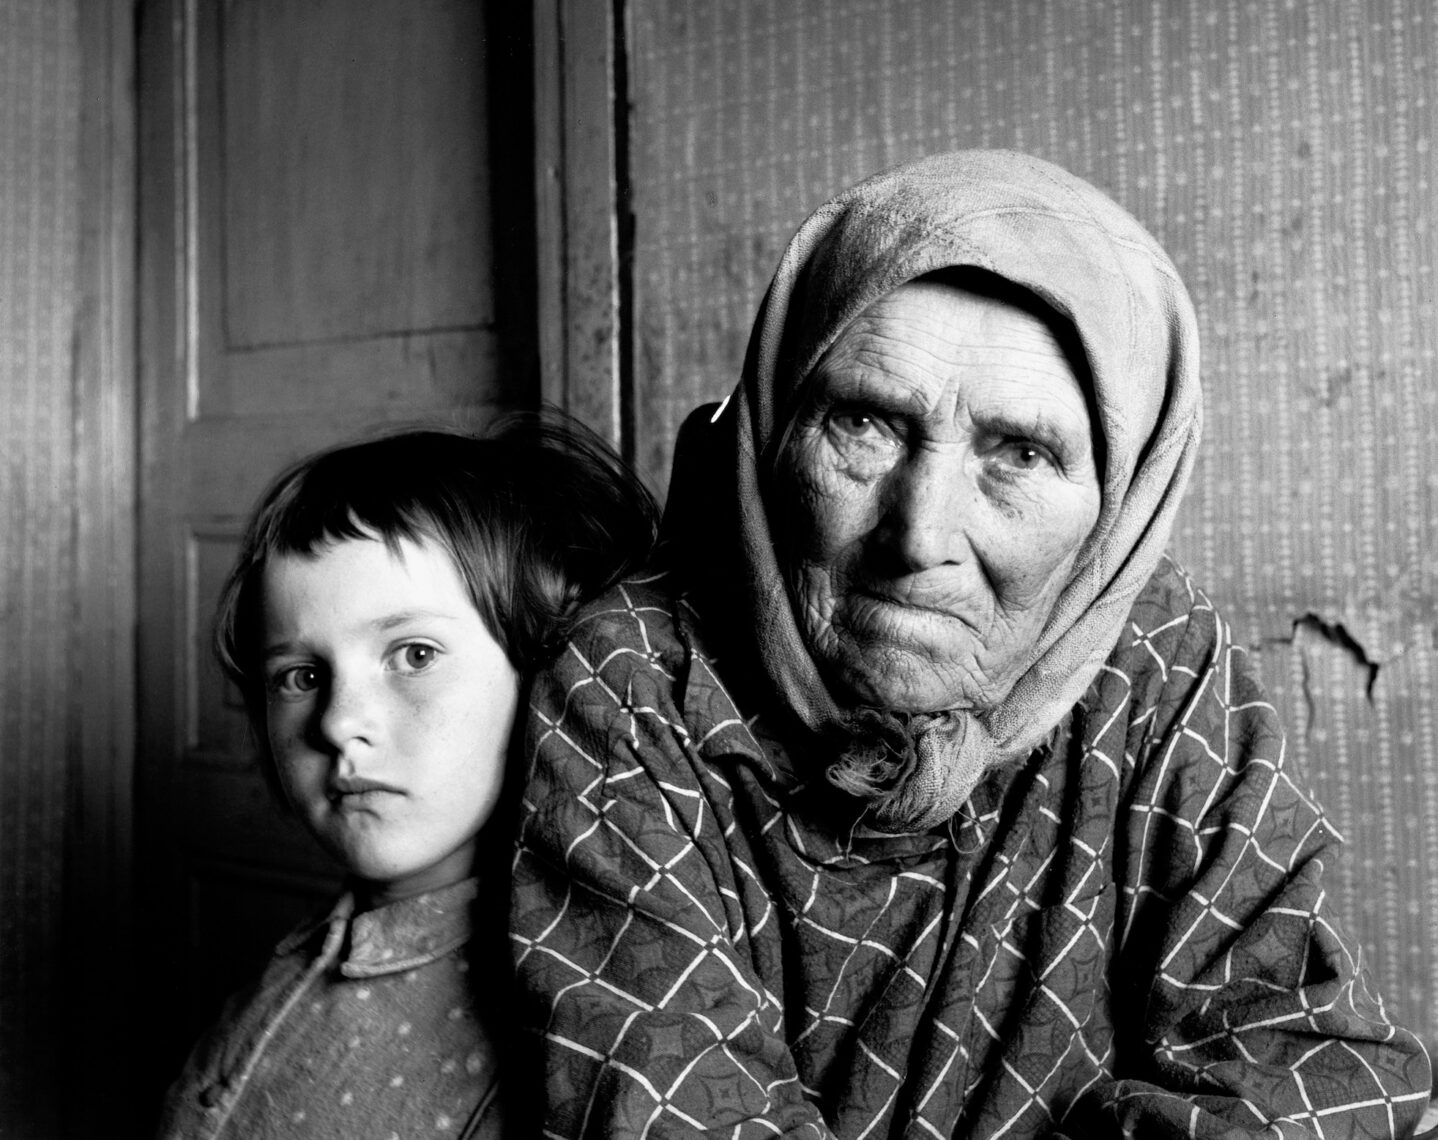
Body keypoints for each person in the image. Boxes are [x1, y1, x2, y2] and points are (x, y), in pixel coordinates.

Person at [511, 150, 1432, 1138]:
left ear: (1120, 503)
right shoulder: (633, 677)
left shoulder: (1153, 658)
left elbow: (1306, 1071)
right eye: (865, 422)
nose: (920, 536)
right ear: (773, 428)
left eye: (1020, 453)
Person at [155, 416, 657, 1140]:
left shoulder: (580, 1031)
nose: (337, 723)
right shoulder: (288, 967)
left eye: (415, 655)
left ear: (552, 673)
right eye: (301, 676)